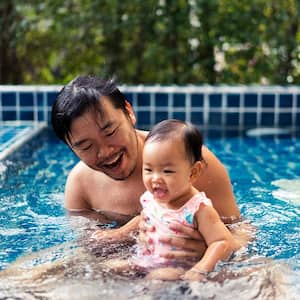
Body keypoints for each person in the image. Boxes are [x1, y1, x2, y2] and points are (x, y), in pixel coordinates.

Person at [51, 75, 243, 259]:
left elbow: (241, 232)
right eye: (86, 146)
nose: (105, 151)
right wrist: (125, 235)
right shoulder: (80, 186)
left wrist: (209, 249)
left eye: (110, 132)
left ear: (129, 112)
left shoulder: (187, 163)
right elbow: (91, 252)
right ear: (71, 148)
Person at [93, 119, 243, 281]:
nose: (156, 178)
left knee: (158, 278)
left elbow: (220, 242)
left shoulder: (198, 209)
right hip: (146, 259)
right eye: (149, 169)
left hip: (178, 267)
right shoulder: (153, 198)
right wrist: (119, 234)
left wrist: (200, 269)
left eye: (167, 171)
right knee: (104, 268)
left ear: (193, 172)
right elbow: (143, 218)